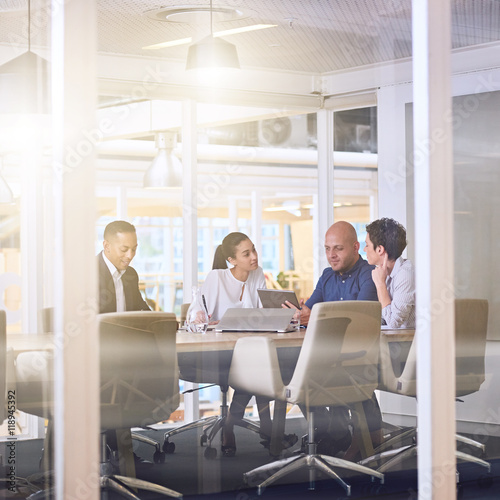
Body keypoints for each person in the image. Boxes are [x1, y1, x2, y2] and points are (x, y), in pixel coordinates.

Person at [285, 221, 381, 458]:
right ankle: (331, 428)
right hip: (327, 354)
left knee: (318, 368)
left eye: (338, 248)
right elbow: (309, 309)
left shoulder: (369, 275)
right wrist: (301, 314)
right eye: (327, 249)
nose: (331, 255)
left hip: (357, 355)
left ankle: (351, 434)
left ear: (356, 247)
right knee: (287, 366)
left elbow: (360, 320)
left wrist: (313, 316)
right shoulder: (327, 276)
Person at [202, 232, 296, 457]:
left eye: (254, 250)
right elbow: (198, 312)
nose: (254, 257)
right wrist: (202, 319)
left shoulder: (258, 275)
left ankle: (232, 423)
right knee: (258, 366)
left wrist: (279, 314)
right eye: (247, 253)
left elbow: (259, 314)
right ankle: (265, 429)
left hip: (249, 349)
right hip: (219, 351)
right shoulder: (216, 278)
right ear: (232, 260)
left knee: (258, 363)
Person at [364, 218, 416, 328]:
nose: (364, 249)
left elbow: (393, 323)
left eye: (367, 245)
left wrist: (380, 285)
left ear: (379, 249)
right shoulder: (384, 272)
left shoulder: (405, 275)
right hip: (395, 341)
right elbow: (383, 318)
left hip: (410, 343)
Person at [98, 220, 150, 314]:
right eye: (124, 249)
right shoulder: (90, 273)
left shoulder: (131, 274)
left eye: (134, 249)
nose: (130, 256)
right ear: (106, 246)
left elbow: (141, 309)